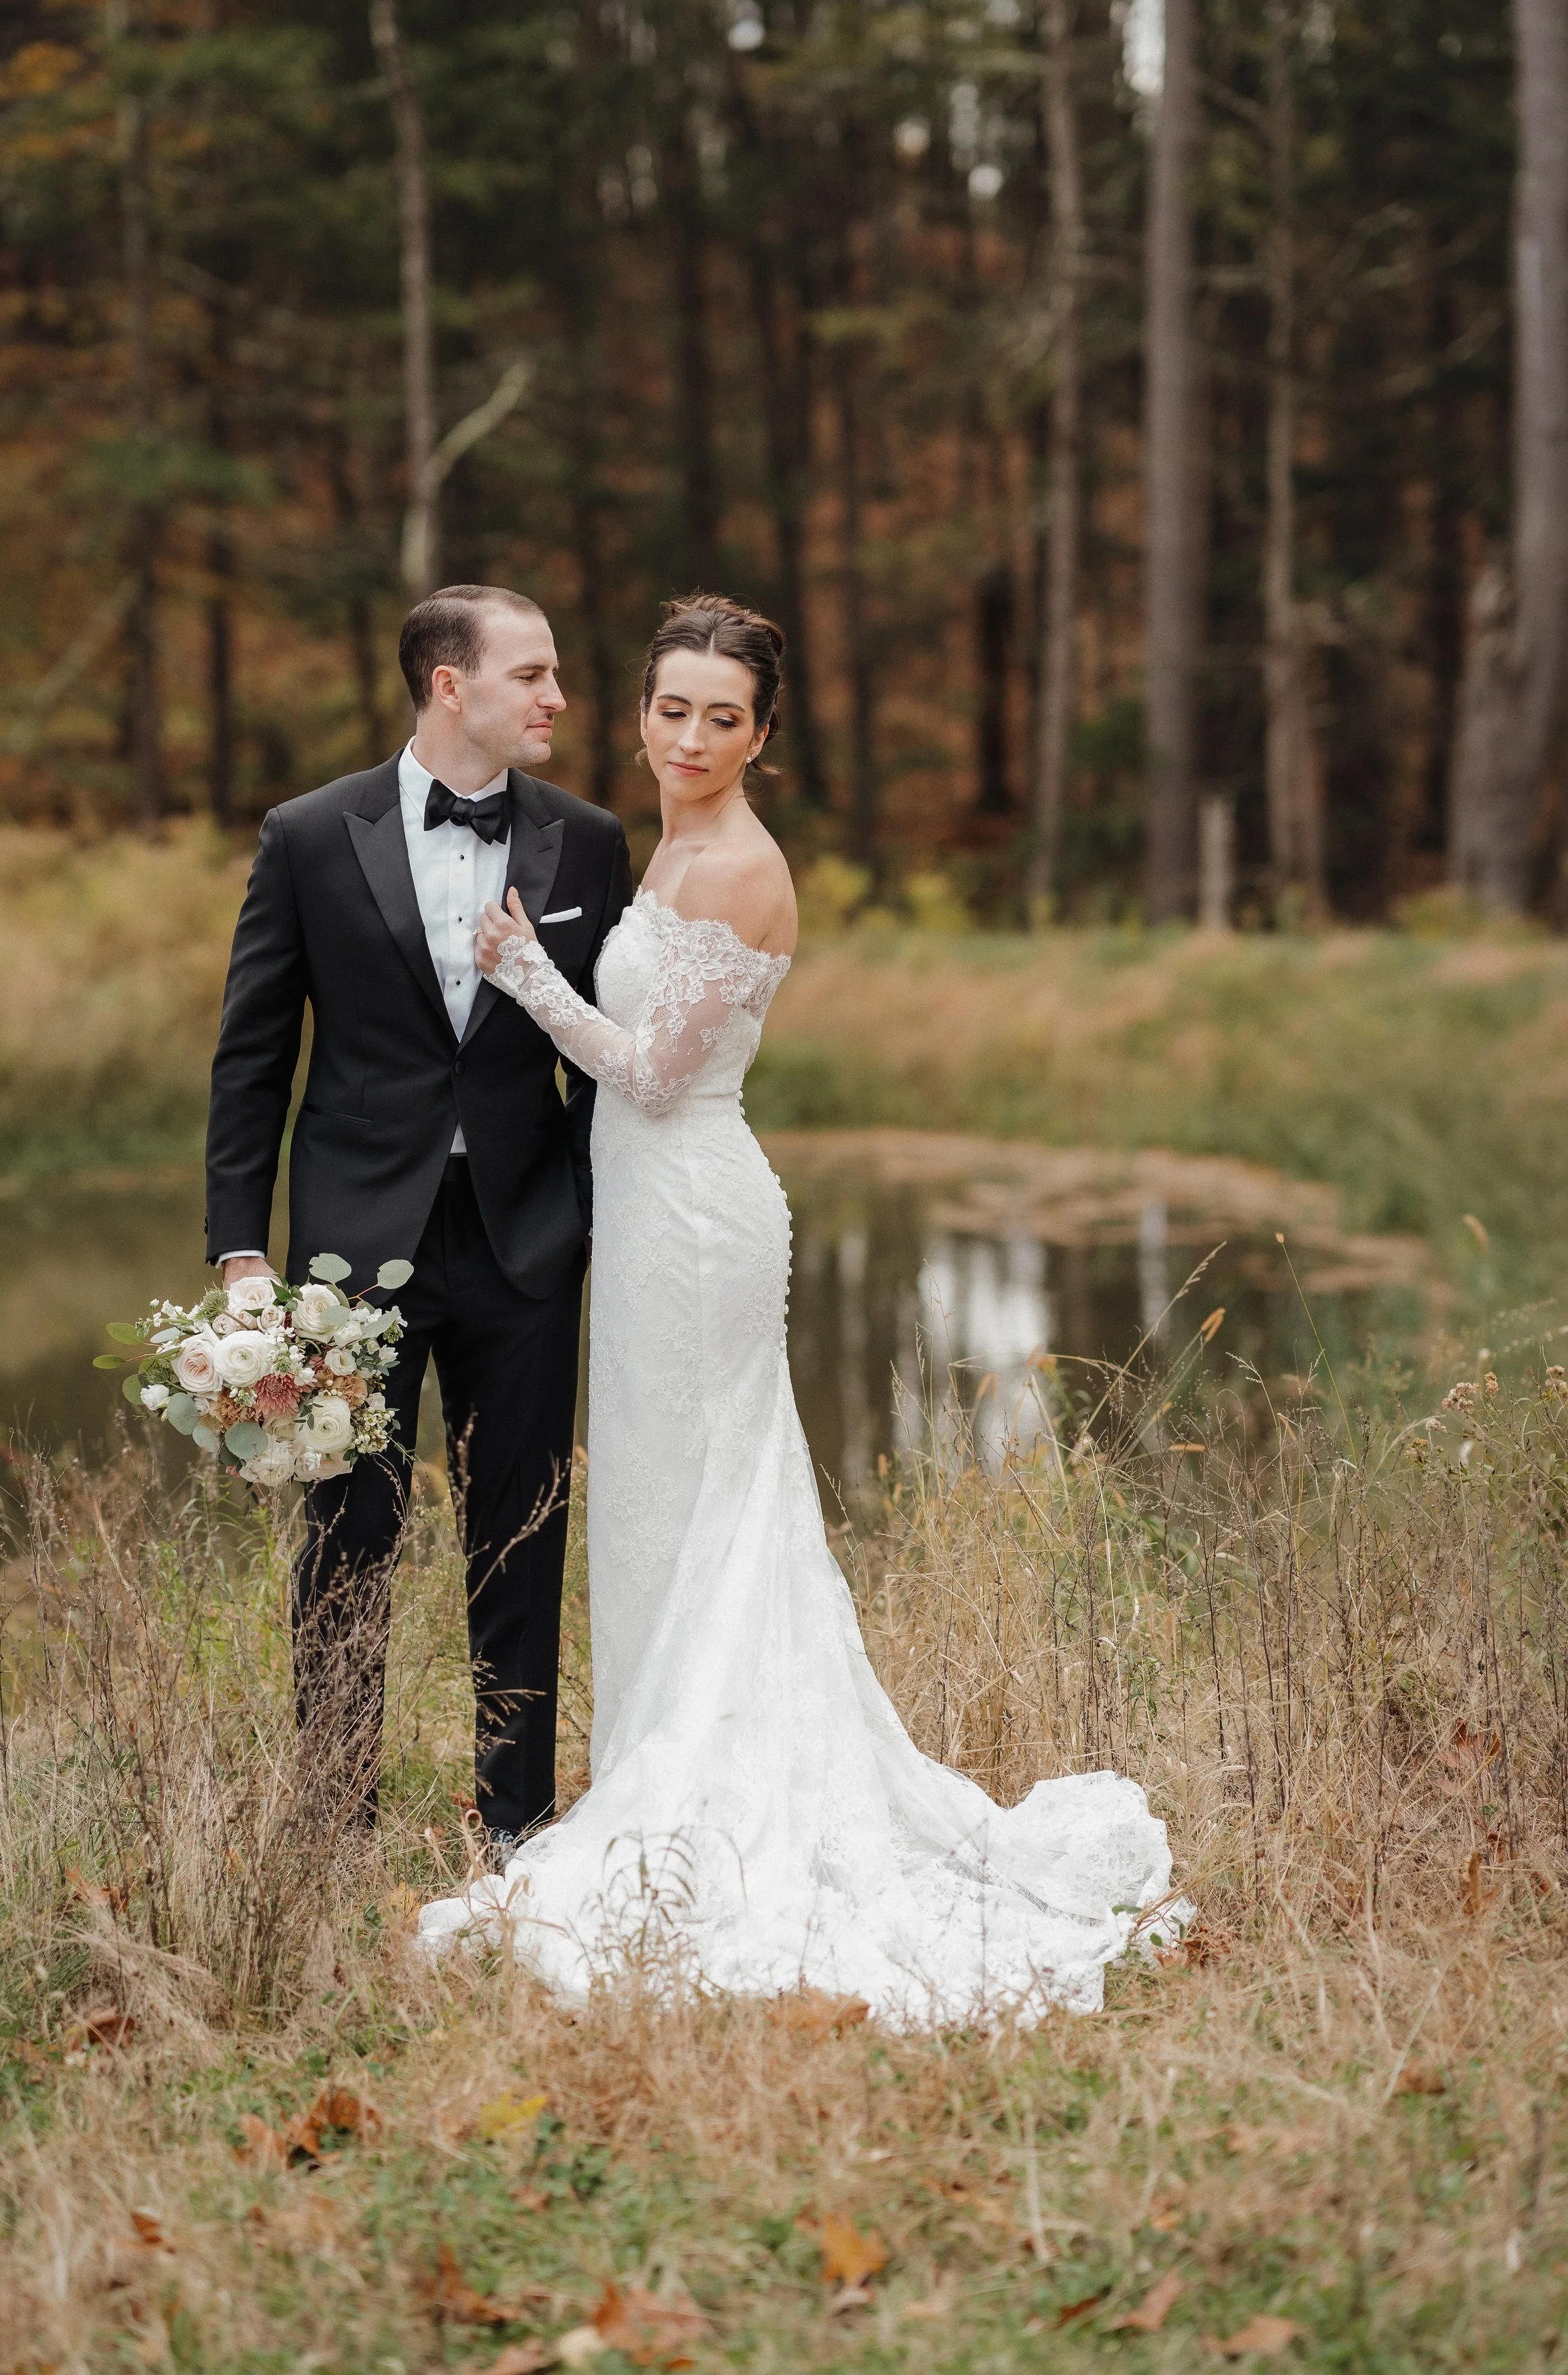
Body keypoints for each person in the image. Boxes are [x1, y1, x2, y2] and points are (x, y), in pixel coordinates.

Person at [416, 595, 1183, 2026]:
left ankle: (699, 1797)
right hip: (645, 1220)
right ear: (639, 711)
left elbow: (646, 1077)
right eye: (671, 708)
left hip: (697, 1214)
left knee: (715, 1504)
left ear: (763, 734)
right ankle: (662, 1757)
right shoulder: (673, 843)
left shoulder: (739, 871)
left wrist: (521, 975)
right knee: (662, 1504)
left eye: (723, 716)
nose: (692, 737)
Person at [205, 584, 631, 1837]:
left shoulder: (589, 840)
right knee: (347, 1538)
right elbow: (251, 1057)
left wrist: (596, 1222)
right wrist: (241, 1248)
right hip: (350, 1250)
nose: (557, 697)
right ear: (452, 686)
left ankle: (515, 1823)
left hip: (527, 1240)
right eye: (532, 674)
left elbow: (606, 1052)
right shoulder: (306, 832)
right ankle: (333, 1822)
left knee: (524, 1535)